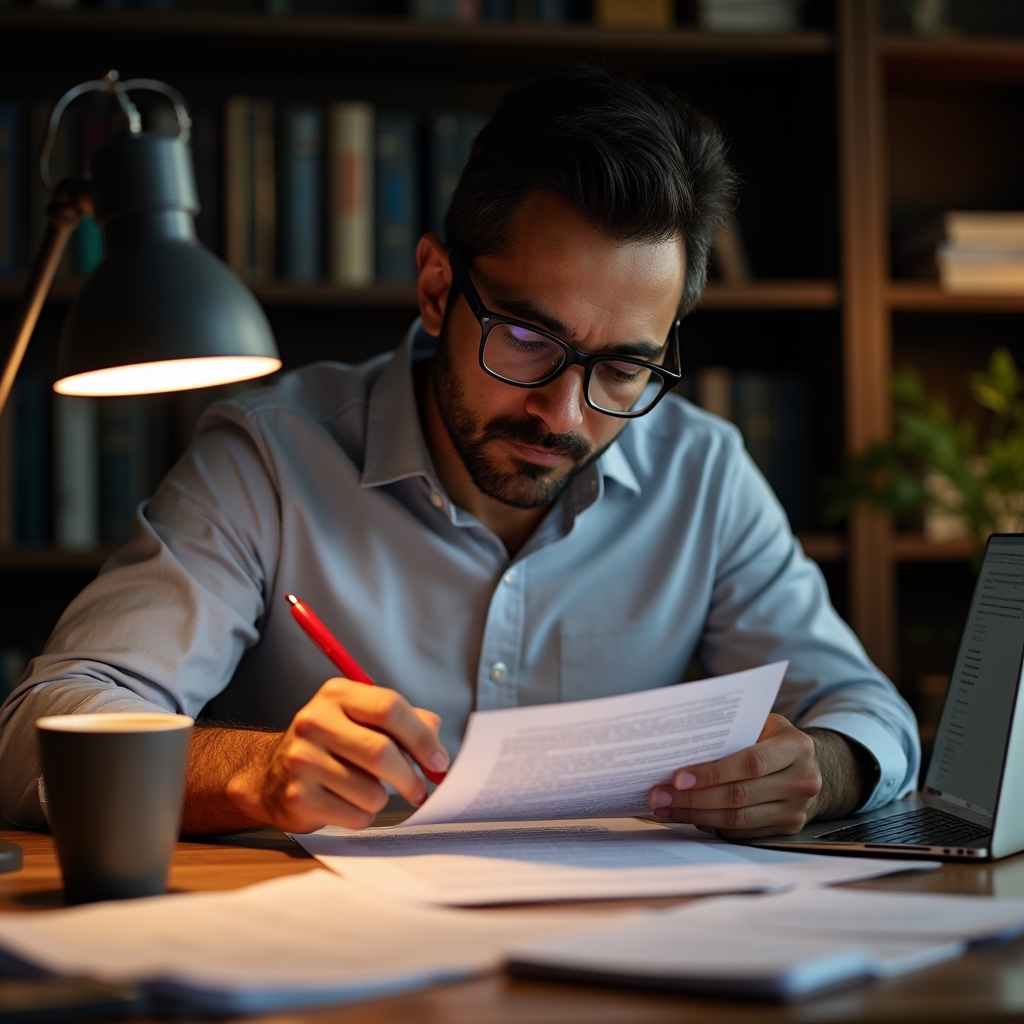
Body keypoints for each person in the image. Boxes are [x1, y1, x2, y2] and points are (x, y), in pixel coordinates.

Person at [0, 66, 919, 839]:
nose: (562, 411)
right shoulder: (272, 460)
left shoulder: (704, 475)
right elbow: (36, 734)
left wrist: (821, 771)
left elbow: (868, 715)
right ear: (438, 288)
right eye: (526, 337)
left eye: (624, 367)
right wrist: (255, 768)